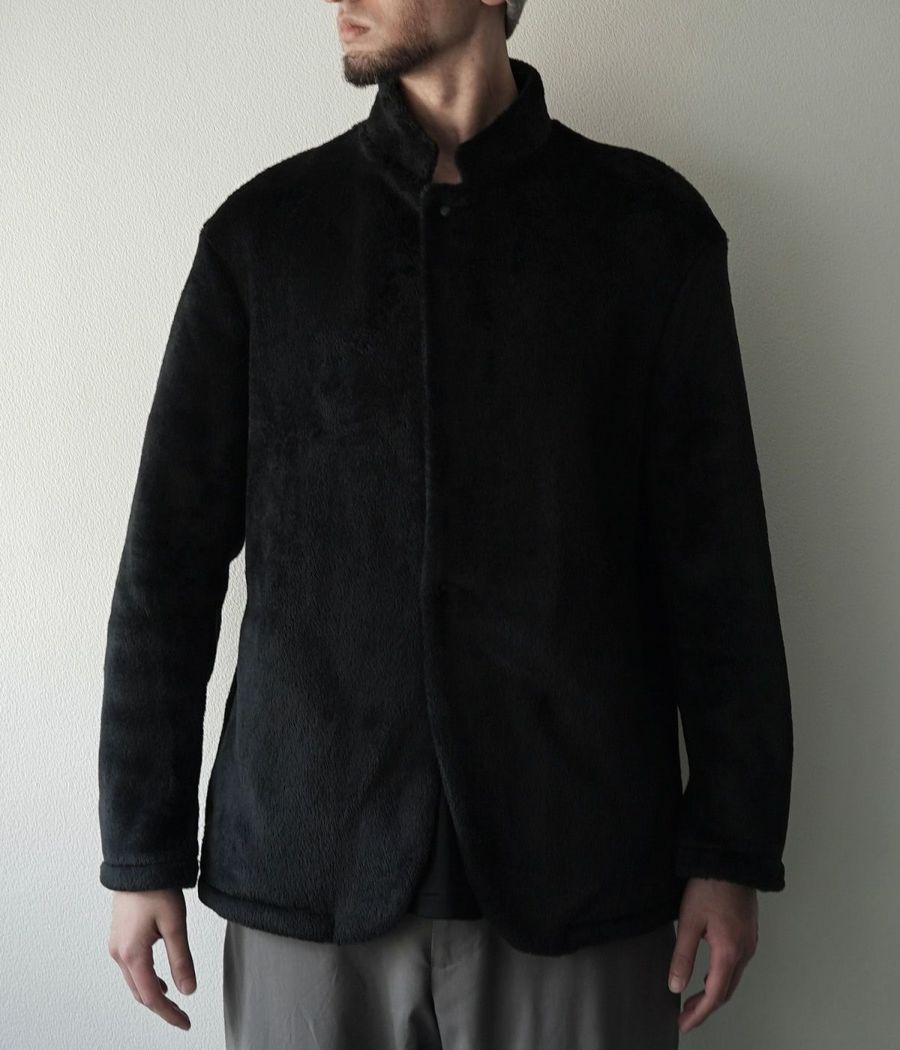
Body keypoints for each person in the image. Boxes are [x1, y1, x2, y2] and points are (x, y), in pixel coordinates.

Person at [98, 0, 794, 1046]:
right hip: (309, 872)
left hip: (582, 872)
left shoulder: (649, 232)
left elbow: (719, 567)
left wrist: (732, 847)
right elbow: (169, 562)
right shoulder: (266, 235)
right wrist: (140, 849)